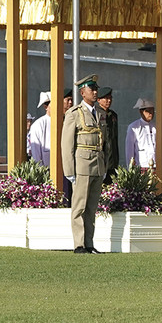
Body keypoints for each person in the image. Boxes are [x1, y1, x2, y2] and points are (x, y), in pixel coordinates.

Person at [61, 75, 108, 254]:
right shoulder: (74, 113)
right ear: (82, 92)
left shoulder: (100, 113)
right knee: (79, 206)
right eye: (91, 89)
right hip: (81, 165)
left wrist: (104, 166)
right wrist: (69, 170)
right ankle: (79, 244)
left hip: (97, 164)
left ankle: (89, 243)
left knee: (91, 207)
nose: (95, 92)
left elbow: (104, 142)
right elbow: (67, 144)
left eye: (96, 89)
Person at [125, 98, 159, 170]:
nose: (150, 113)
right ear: (141, 112)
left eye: (152, 110)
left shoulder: (156, 126)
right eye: (148, 111)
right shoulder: (134, 127)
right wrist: (130, 168)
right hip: (141, 165)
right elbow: (129, 149)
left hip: (155, 165)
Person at [96, 86, 121, 184]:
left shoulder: (113, 115)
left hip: (112, 159)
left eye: (110, 98)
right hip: (101, 159)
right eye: (106, 98)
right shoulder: (96, 114)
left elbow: (114, 138)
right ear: (98, 100)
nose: (109, 101)